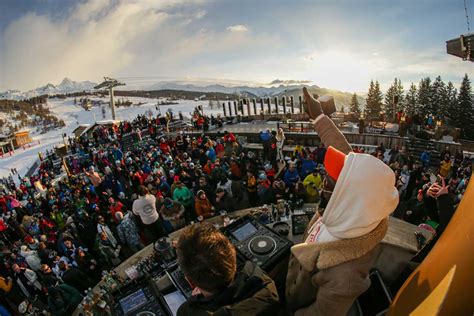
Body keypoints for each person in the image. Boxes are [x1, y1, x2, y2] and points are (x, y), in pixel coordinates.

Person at [286, 88, 399, 316]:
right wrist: (319, 117)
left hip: (297, 301)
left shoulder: (346, 275)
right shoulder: (361, 204)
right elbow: (341, 150)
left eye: (331, 180)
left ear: (350, 198)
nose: (324, 182)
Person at [175, 224, 280, 315]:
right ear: (234, 258)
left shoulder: (186, 312)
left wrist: (198, 300)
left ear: (190, 282)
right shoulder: (259, 278)